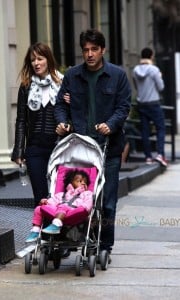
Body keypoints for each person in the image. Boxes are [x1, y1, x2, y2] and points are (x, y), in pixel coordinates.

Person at [54, 29, 131, 261]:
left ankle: (105, 245)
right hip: (79, 150)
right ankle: (71, 239)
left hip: (109, 149)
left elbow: (124, 106)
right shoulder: (72, 76)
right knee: (73, 199)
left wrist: (111, 124)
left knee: (107, 202)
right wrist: (61, 122)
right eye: (85, 50)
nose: (89, 54)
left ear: (102, 50)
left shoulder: (117, 76)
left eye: (94, 50)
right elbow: (60, 105)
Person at [11, 42, 64, 207]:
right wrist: (19, 150)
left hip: (58, 147)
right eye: (33, 60)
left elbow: (72, 114)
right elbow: (21, 120)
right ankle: (44, 232)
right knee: (40, 198)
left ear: (48, 59)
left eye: (40, 59)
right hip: (34, 149)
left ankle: (58, 231)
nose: (36, 63)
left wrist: (67, 126)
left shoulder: (63, 83)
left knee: (59, 196)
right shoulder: (26, 86)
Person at [25, 169, 93, 242]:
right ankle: (35, 230)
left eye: (85, 182)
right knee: (39, 208)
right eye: (79, 181)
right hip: (59, 212)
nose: (83, 183)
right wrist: (46, 202)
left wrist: (84, 208)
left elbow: (88, 202)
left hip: (77, 212)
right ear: (70, 183)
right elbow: (53, 201)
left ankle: (56, 225)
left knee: (63, 206)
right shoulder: (61, 195)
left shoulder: (87, 193)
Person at [132, 47, 167, 167]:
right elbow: (161, 87)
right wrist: (160, 76)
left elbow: (136, 86)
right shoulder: (154, 70)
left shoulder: (135, 70)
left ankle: (148, 157)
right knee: (160, 128)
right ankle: (160, 154)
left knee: (145, 131)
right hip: (153, 103)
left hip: (142, 103)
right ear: (151, 56)